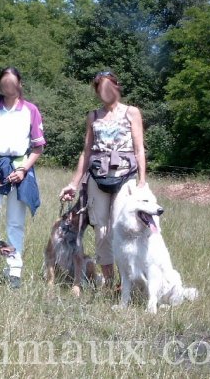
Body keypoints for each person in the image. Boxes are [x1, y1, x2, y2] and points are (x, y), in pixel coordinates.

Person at [59, 71, 146, 287]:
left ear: (117, 87)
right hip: (98, 178)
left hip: (124, 176)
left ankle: (126, 282)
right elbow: (86, 153)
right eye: (100, 89)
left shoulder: (131, 113)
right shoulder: (93, 116)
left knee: (123, 227)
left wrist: (142, 182)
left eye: (109, 87)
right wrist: (73, 183)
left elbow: (139, 148)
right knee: (102, 231)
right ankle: (109, 283)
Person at [0, 67, 46, 289]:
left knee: (15, 222)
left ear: (19, 84)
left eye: (12, 82)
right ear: (0, 84)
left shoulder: (30, 110)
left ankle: (14, 271)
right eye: (5, 82)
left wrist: (23, 169)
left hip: (18, 168)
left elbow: (38, 147)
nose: (8, 86)